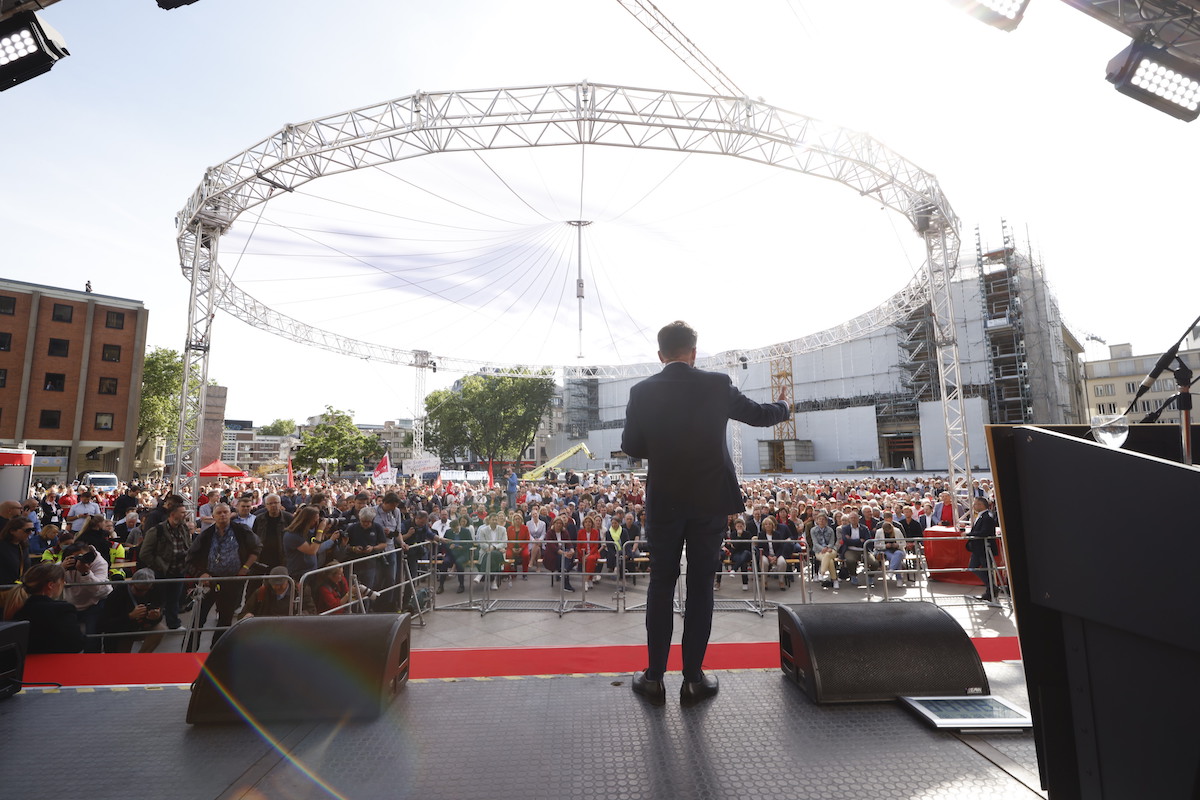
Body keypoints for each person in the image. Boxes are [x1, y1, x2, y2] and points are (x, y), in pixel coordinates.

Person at [620, 320, 789, 706]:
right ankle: (694, 679)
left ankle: (653, 678)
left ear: (660, 355)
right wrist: (784, 406)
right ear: (694, 353)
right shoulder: (716, 383)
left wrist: (663, 448)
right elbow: (761, 415)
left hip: (665, 499)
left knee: (661, 585)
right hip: (711, 498)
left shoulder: (641, 391)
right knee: (700, 586)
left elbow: (631, 445)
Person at [185, 503, 261, 647]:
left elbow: (256, 548)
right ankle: (188, 651)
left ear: (230, 514)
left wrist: (245, 568)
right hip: (209, 581)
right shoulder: (206, 535)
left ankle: (217, 650)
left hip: (232, 581)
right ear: (213, 516)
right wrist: (202, 574)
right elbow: (190, 558)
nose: (223, 515)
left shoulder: (241, 530)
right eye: (219, 513)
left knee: (225, 618)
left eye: (225, 512)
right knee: (198, 618)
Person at [2, 562, 85, 653]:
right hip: (56, 663)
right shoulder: (63, 610)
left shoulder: (16, 606)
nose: (64, 583)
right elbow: (76, 644)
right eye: (62, 581)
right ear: (51, 585)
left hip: (26, 663)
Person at [140, 503, 192, 630]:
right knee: (157, 600)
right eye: (182, 512)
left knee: (174, 599)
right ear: (173, 514)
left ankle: (173, 624)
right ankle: (150, 626)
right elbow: (144, 553)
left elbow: (188, 545)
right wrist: (158, 566)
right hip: (161, 571)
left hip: (179, 570)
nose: (185, 514)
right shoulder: (157, 530)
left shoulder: (183, 528)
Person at [101, 568, 167, 653]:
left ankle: (140, 658)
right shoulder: (118, 594)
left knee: (161, 629)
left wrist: (156, 617)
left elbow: (158, 611)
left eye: (145, 590)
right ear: (131, 583)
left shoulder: (154, 591)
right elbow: (104, 625)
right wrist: (130, 616)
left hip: (140, 626)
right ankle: (124, 661)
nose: (141, 593)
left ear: (150, 587)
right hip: (122, 630)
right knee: (123, 656)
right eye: (138, 590)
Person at [966, 496, 999, 603]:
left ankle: (990, 591)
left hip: (985, 549)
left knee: (987, 569)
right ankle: (991, 588)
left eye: (975, 504)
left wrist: (969, 534)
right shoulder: (980, 516)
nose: (974, 506)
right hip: (978, 549)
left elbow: (985, 532)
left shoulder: (987, 516)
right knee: (972, 567)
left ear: (981, 505)